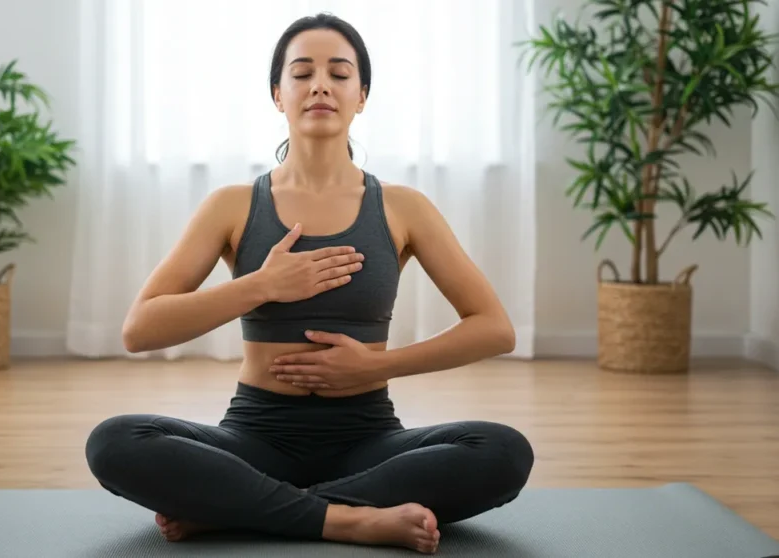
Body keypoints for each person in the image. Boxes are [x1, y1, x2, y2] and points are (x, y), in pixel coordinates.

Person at [85, 12, 534, 555]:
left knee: (504, 451)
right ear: (278, 94)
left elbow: (494, 329)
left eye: (339, 73)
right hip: (254, 436)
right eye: (302, 73)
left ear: (361, 96)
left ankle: (238, 509)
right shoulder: (232, 205)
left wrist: (377, 366)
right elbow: (140, 330)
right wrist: (262, 285)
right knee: (114, 441)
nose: (320, 84)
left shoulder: (404, 207)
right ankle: (348, 519)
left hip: (369, 440)